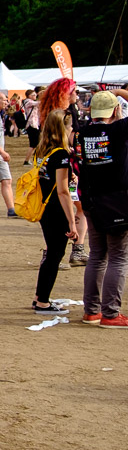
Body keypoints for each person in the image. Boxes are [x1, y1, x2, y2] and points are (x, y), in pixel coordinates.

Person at [77, 89, 128, 328]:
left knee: (97, 255)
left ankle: (91, 311)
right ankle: (110, 313)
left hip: (91, 200)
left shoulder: (84, 132)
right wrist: (120, 92)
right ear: (116, 111)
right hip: (117, 201)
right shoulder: (117, 130)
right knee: (118, 257)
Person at [31, 109, 79, 314]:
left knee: (51, 252)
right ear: (63, 128)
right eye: (70, 127)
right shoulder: (60, 154)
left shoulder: (42, 150)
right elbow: (62, 191)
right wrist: (72, 222)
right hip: (56, 209)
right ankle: (43, 301)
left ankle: (39, 297)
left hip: (44, 206)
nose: (72, 131)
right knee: (55, 254)